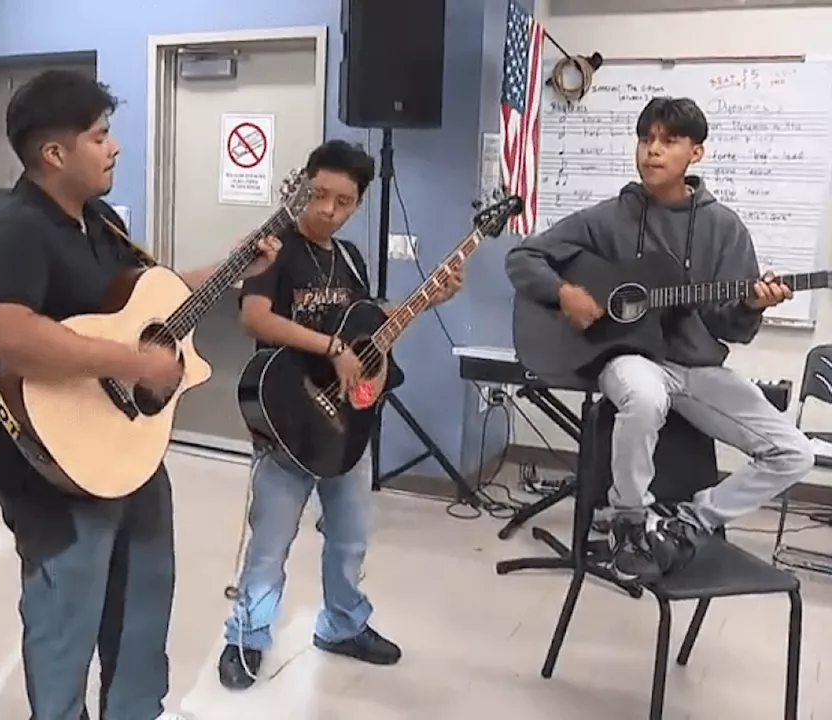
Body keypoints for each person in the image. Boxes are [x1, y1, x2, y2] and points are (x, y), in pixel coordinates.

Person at [0, 69, 280, 720]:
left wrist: (230, 267)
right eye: (100, 135)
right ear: (54, 153)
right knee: (66, 617)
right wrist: (129, 363)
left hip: (128, 450)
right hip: (51, 467)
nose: (114, 148)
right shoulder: (14, 230)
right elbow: (7, 334)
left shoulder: (100, 222)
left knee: (144, 602)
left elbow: (153, 300)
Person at [505, 96, 815, 583]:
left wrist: (752, 304)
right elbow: (523, 258)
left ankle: (688, 523)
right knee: (644, 397)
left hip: (696, 368)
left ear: (697, 153)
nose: (652, 151)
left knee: (795, 451)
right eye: (646, 139)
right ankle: (628, 521)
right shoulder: (610, 217)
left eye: (669, 141)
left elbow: (731, 328)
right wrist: (567, 293)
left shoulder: (724, 228)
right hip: (629, 357)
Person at [216, 140, 463, 690]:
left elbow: (368, 328)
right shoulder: (273, 249)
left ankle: (344, 625)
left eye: (343, 201)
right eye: (320, 194)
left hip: (344, 426)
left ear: (356, 205)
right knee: (270, 544)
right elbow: (256, 319)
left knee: (350, 537)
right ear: (302, 186)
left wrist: (429, 301)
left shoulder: (348, 257)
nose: (328, 209)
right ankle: (247, 637)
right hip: (285, 418)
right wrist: (330, 347)